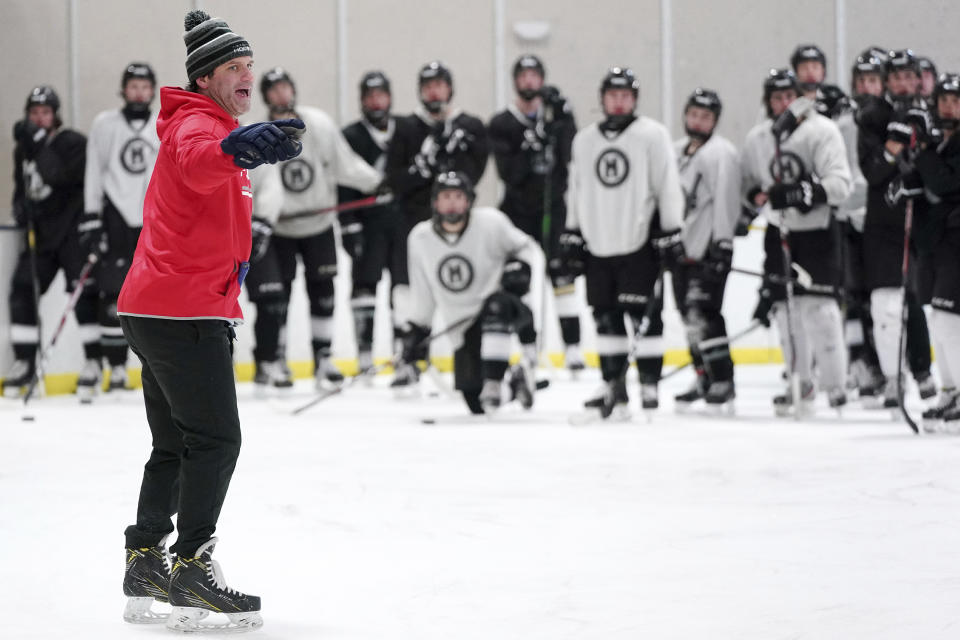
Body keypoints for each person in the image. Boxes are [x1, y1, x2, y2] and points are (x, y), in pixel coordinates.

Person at [117, 10, 304, 631]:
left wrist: (240, 143)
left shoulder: (211, 122)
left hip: (163, 305)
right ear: (205, 77)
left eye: (250, 66)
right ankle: (192, 569)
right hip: (181, 309)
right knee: (217, 440)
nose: (247, 77)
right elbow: (201, 161)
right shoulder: (197, 124)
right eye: (234, 67)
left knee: (175, 442)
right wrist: (237, 147)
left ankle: (146, 559)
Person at [245, 67, 381, 392]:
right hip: (281, 228)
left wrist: (377, 183)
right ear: (265, 97)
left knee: (323, 294)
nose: (281, 95)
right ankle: (275, 360)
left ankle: (324, 358)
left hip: (318, 224)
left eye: (284, 88)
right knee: (278, 298)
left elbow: (344, 164)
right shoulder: (259, 133)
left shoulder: (318, 124)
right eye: (273, 90)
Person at [561, 67, 685, 420]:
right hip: (598, 243)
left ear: (635, 99)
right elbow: (577, 189)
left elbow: (667, 185)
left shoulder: (652, 135)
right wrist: (572, 233)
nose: (619, 102)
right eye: (613, 95)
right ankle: (613, 382)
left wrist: (671, 230)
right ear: (602, 99)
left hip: (639, 242)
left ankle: (649, 381)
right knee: (605, 318)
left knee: (646, 318)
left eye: (626, 96)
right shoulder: (584, 140)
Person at [742, 68, 852, 415]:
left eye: (790, 96)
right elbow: (748, 185)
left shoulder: (822, 131)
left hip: (818, 231)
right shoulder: (759, 138)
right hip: (779, 234)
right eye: (777, 98)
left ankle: (836, 384)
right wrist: (757, 197)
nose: (784, 104)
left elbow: (841, 186)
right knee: (786, 312)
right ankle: (799, 382)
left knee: (819, 310)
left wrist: (804, 191)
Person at [386, 61, 489, 389]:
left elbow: (475, 178)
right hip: (413, 223)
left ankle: (471, 360)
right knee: (407, 289)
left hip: (458, 228)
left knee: (462, 287)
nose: (434, 91)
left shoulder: (471, 126)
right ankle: (409, 360)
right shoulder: (405, 127)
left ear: (450, 88)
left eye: (439, 85)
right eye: (428, 85)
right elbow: (395, 181)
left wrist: (455, 160)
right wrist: (422, 166)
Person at [401, 171, 540, 414]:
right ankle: (514, 387)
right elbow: (422, 291)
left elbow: (529, 249)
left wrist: (521, 270)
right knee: (475, 402)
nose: (452, 202)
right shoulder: (420, 238)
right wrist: (417, 331)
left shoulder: (491, 223)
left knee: (497, 307)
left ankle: (495, 384)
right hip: (462, 327)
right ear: (435, 202)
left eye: (458, 196)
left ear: (469, 201)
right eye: (446, 196)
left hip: (500, 309)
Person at [488, 54, 584, 374]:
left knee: (562, 275)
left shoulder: (554, 119)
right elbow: (508, 174)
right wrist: (532, 146)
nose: (529, 81)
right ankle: (529, 348)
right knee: (518, 279)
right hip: (517, 212)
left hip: (553, 209)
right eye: (523, 76)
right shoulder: (502, 123)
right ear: (515, 81)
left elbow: (571, 155)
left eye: (535, 76)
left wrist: (564, 121)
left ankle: (573, 348)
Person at [1, 86, 98, 401]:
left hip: (71, 234)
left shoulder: (72, 143)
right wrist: (19, 207)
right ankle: (25, 361)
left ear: (55, 114)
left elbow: (59, 176)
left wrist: (39, 144)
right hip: (40, 237)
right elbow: (23, 187)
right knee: (22, 291)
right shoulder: (23, 149)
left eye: (44, 113)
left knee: (82, 294)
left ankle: (93, 361)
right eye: (33, 113)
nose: (38, 119)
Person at [856, 49, 936, 407]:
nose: (904, 83)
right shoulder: (872, 116)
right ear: (886, 81)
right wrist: (894, 143)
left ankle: (923, 370)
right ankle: (893, 377)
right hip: (884, 222)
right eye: (897, 77)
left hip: (926, 219)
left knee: (918, 302)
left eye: (910, 76)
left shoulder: (935, 114)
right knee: (885, 304)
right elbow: (873, 172)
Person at [80, 62, 160, 396]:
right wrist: (93, 217)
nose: (139, 93)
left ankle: (154, 366)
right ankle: (114, 367)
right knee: (113, 294)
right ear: (124, 90)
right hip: (115, 217)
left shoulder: (164, 124)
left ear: (152, 90)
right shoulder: (105, 124)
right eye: (133, 86)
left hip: (154, 218)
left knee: (155, 295)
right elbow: (95, 172)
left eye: (145, 86)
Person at [671, 88, 741, 410]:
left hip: (707, 250)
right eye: (694, 114)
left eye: (706, 117)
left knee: (705, 315)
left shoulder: (721, 153)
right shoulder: (675, 152)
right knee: (688, 317)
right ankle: (703, 376)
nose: (698, 121)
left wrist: (723, 244)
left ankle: (723, 379)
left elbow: (726, 200)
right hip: (679, 252)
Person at [339, 71, 403, 375]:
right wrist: (348, 224)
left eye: (381, 95)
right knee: (364, 288)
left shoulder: (405, 131)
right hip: (368, 225)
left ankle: (405, 353)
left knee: (404, 289)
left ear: (389, 97)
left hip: (402, 224)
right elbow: (343, 181)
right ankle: (365, 355)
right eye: (369, 96)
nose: (376, 102)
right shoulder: (351, 136)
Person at [911, 72, 960, 430]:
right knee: (938, 318)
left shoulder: (940, 148)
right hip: (938, 242)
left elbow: (945, 184)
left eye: (956, 101)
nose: (949, 107)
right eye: (944, 100)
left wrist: (924, 154)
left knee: (948, 317)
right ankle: (949, 390)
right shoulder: (938, 145)